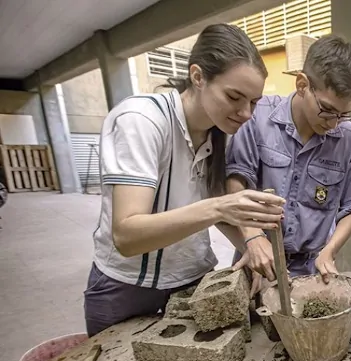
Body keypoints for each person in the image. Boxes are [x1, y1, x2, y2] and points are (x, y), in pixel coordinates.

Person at [83, 24, 286, 337]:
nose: (246, 113)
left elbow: (221, 208)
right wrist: (220, 207)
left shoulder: (223, 133)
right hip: (124, 289)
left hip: (193, 281)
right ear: (198, 77)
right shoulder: (141, 121)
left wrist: (250, 242)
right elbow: (126, 236)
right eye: (234, 97)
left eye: (254, 102)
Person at [226, 34, 351, 291]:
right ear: (302, 84)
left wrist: (329, 251)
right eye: (326, 109)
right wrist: (252, 236)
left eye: (344, 114)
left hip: (311, 269)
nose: (334, 123)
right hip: (257, 261)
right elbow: (236, 180)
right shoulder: (257, 118)